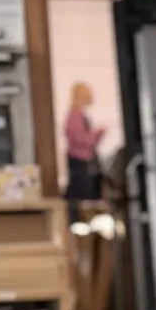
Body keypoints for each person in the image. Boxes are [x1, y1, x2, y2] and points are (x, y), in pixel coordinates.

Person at [64, 82, 105, 217]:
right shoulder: (75, 116)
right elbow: (78, 139)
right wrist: (96, 134)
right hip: (80, 162)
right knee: (83, 196)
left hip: (84, 161)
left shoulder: (79, 115)